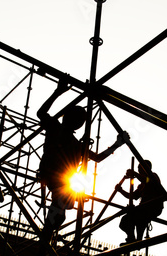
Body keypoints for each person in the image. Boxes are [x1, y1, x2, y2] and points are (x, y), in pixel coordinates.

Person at [37, 78, 129, 245]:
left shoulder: (67, 137)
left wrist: (117, 144)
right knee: (52, 220)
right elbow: (98, 158)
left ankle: (46, 243)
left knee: (53, 220)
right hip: (57, 180)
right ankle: (45, 246)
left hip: (56, 180)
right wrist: (117, 144)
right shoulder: (61, 133)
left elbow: (97, 158)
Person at [115, 160, 164, 243]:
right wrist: (121, 190)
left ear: (146, 168)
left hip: (153, 208)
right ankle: (133, 239)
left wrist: (134, 174)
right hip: (143, 209)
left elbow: (148, 181)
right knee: (125, 221)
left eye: (139, 168)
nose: (138, 170)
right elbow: (133, 196)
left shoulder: (153, 177)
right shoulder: (141, 185)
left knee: (137, 219)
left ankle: (137, 240)